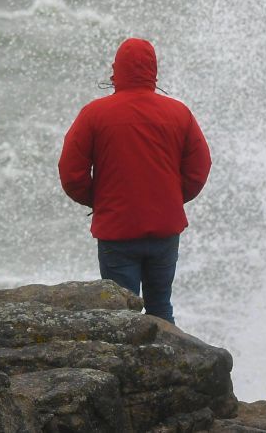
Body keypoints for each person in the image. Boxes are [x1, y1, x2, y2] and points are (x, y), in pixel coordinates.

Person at [58, 37, 211, 325]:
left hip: (118, 230)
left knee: (122, 317)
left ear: (117, 71)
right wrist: (171, 198)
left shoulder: (94, 114)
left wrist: (100, 200)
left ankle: (126, 369)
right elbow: (199, 169)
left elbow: (71, 173)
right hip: (166, 229)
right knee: (161, 308)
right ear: (153, 71)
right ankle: (169, 366)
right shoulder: (179, 113)